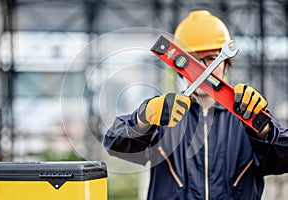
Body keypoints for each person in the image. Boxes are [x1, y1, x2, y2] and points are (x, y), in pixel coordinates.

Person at [104, 10, 288, 200]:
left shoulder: (247, 118)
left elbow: (282, 158)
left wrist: (263, 128)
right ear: (177, 65)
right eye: (193, 60)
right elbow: (113, 142)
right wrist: (143, 118)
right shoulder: (161, 117)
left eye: (211, 58)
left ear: (226, 62)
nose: (204, 69)